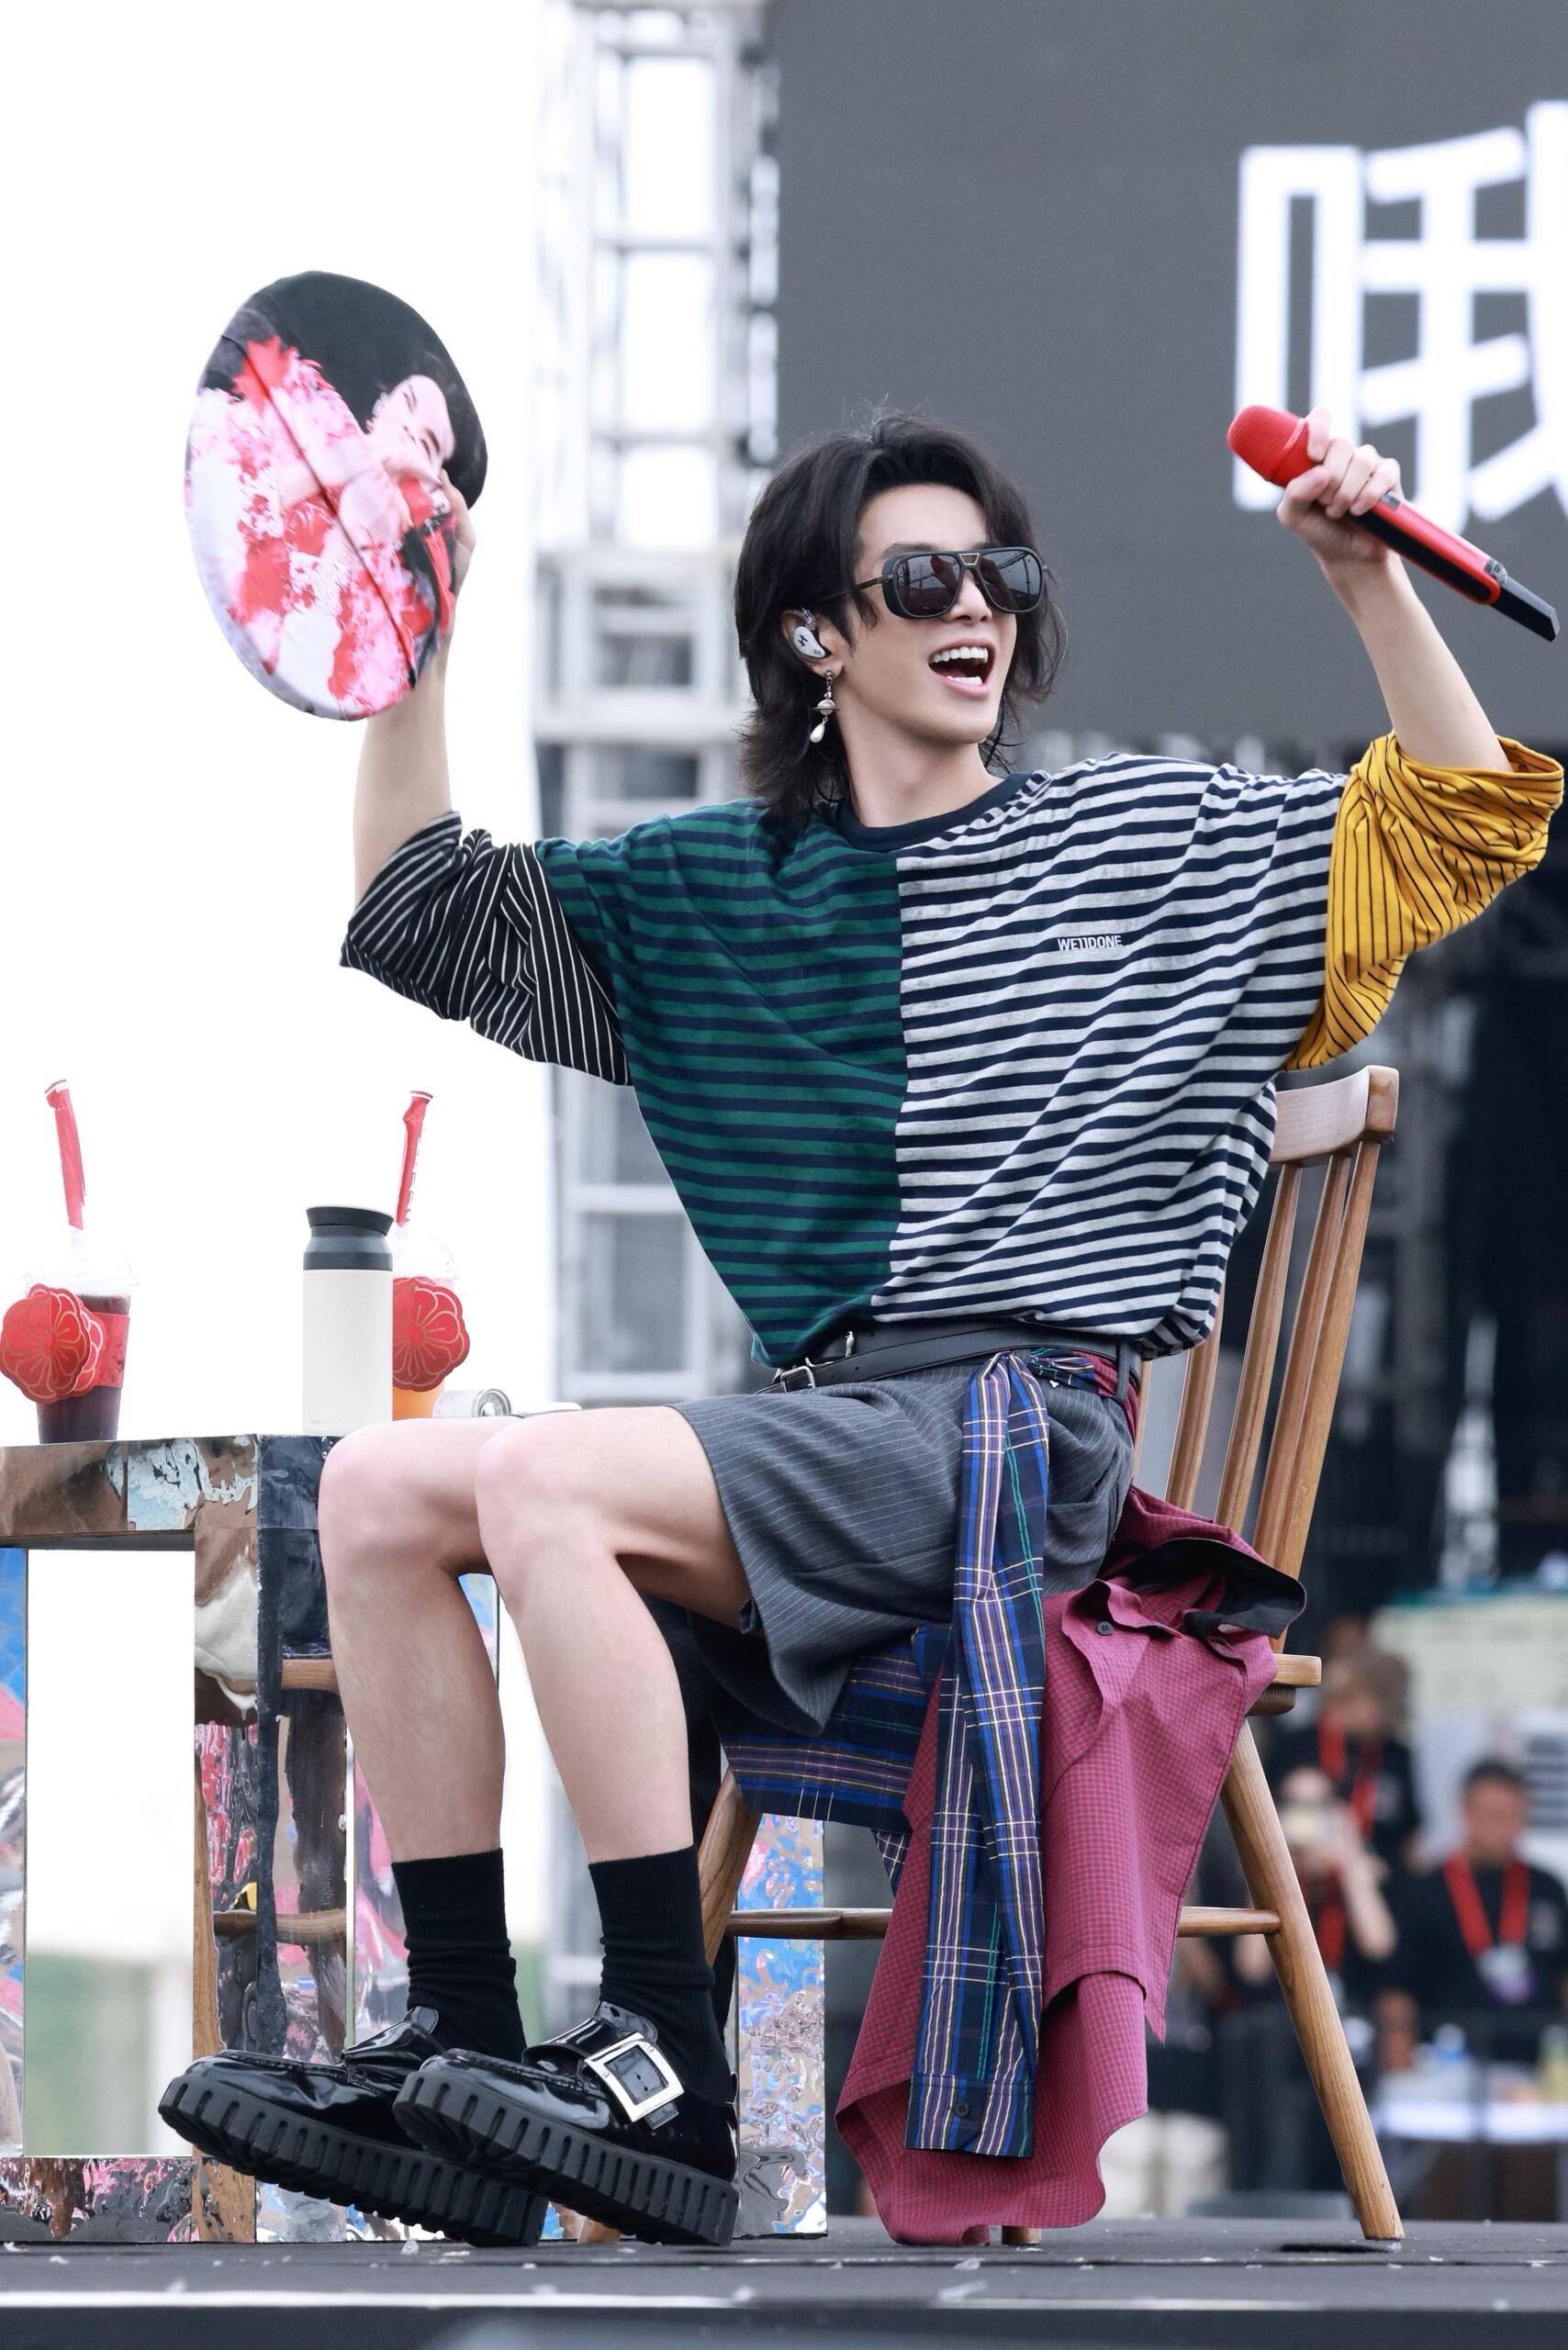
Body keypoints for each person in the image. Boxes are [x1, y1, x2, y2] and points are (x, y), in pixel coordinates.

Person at [163, 406, 1562, 2246]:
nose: (972, 606)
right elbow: (418, 907)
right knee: (373, 1490)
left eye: (998, 574)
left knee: (545, 1482)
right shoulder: (704, 893)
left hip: (1018, 1449)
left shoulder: (1152, 841)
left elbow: (1457, 822)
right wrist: (414, 621)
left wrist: (1363, 576)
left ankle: (659, 2056)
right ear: (812, 633)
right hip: (830, 1438)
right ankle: (461, 2035)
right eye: (918, 578)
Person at [1378, 1757, 1568, 2072]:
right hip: (1446, 2064)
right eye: (1490, 1815)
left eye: (1511, 1815)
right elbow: (1398, 1992)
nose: (1500, 1826)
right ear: (1464, 1812)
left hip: (1536, 2068)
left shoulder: (1547, 1888)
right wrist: (1401, 2078)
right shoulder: (1425, 1891)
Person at [1269, 1646, 1421, 1872]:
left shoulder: (1397, 1755)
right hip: (1304, 1874)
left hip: (1379, 1880)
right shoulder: (1300, 1745)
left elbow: (1409, 1836)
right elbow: (1272, 1818)